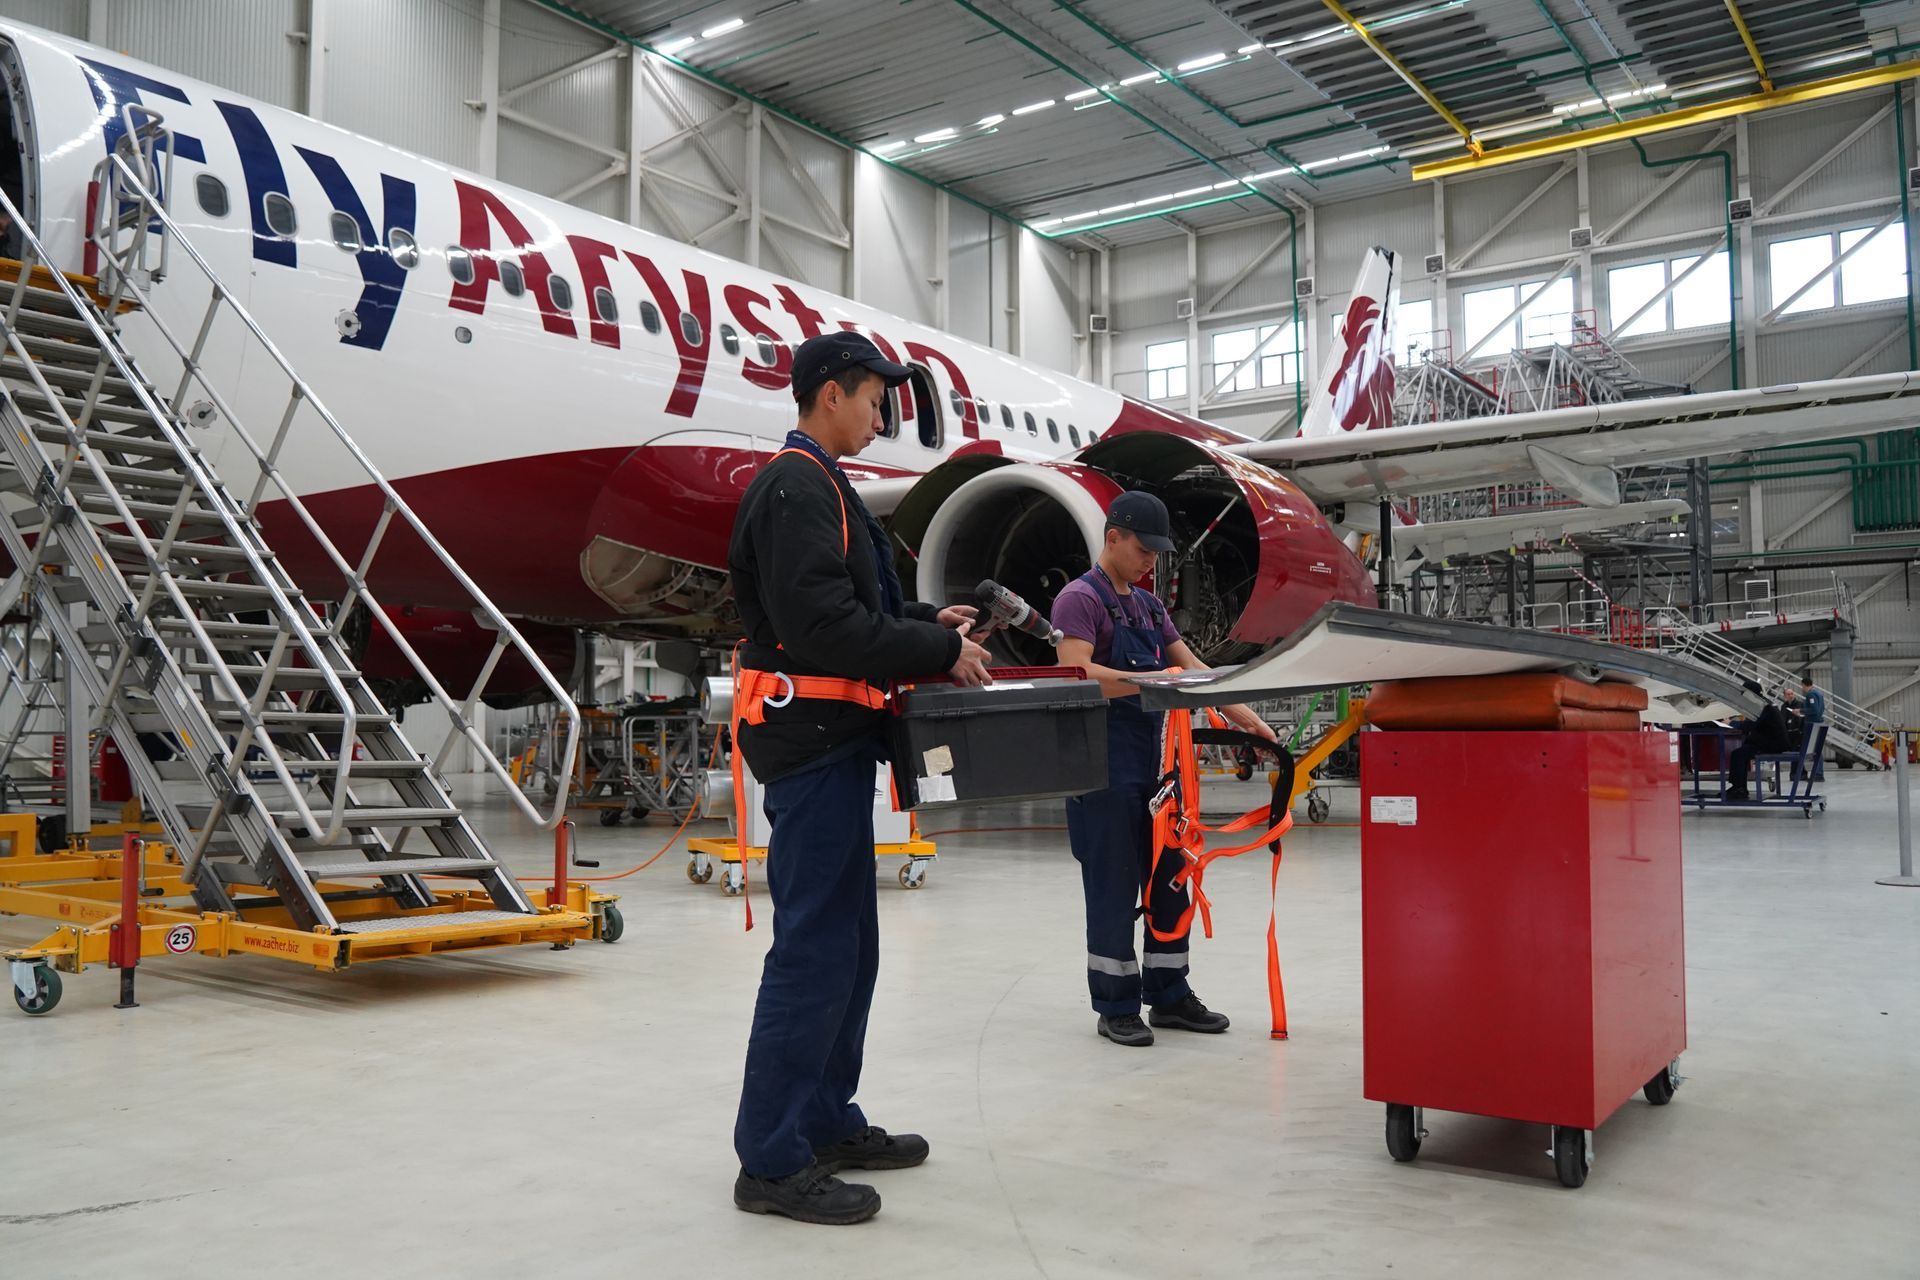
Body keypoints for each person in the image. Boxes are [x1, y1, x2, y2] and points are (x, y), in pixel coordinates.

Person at [728, 331, 992, 1225]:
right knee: (813, 952)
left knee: (850, 949)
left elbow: (856, 606)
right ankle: (770, 1161)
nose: (883, 416)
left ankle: (823, 1120)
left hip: (837, 743)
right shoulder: (796, 486)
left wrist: (924, 619)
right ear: (832, 395)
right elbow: (823, 627)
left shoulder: (826, 486)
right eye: (876, 400)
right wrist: (938, 651)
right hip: (811, 748)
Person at [1053, 491, 1279, 1047]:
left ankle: (1170, 994)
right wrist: (1153, 681)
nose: (1151, 560)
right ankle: (1116, 1005)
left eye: (1158, 552)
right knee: (1112, 889)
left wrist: (1246, 717)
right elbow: (1077, 673)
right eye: (1143, 548)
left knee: (1170, 881)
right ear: (1113, 537)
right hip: (1102, 771)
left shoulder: (1150, 608)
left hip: (1157, 770)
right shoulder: (1078, 600)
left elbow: (1193, 669)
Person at [1727, 679, 1789, 801]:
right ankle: (1739, 787)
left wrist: (1730, 723)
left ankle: (1739, 788)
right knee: (1743, 750)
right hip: (1773, 742)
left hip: (1773, 744)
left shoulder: (1761, 706)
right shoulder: (1766, 704)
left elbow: (1750, 725)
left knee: (1738, 754)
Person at [1800, 675, 1827, 781]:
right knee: (1817, 749)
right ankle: (1818, 773)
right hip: (1819, 722)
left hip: (1812, 723)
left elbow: (1814, 710)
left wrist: (1801, 711)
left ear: (1804, 685)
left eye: (1802, 686)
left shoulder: (1810, 694)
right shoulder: (1819, 693)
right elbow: (1821, 708)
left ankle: (1818, 774)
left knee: (1815, 749)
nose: (1802, 688)